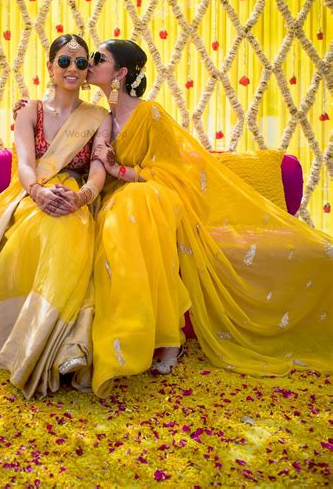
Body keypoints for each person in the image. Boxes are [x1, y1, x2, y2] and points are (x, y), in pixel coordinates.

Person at [87, 39, 332, 398]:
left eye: (98, 59)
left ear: (120, 73)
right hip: (121, 201)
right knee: (128, 211)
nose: (90, 64)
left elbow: (175, 171)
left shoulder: (149, 113)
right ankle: (139, 336)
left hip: (154, 196)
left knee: (140, 201)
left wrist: (119, 170)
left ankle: (163, 339)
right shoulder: (96, 117)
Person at [0, 34, 110, 399]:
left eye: (81, 62)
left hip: (77, 199)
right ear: (50, 67)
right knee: (47, 224)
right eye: (64, 61)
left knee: (71, 227)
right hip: (32, 194)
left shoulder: (98, 117)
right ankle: (47, 345)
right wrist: (39, 193)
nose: (72, 69)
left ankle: (67, 346)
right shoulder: (29, 110)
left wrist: (82, 197)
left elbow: (99, 166)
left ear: (87, 71)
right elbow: (25, 164)